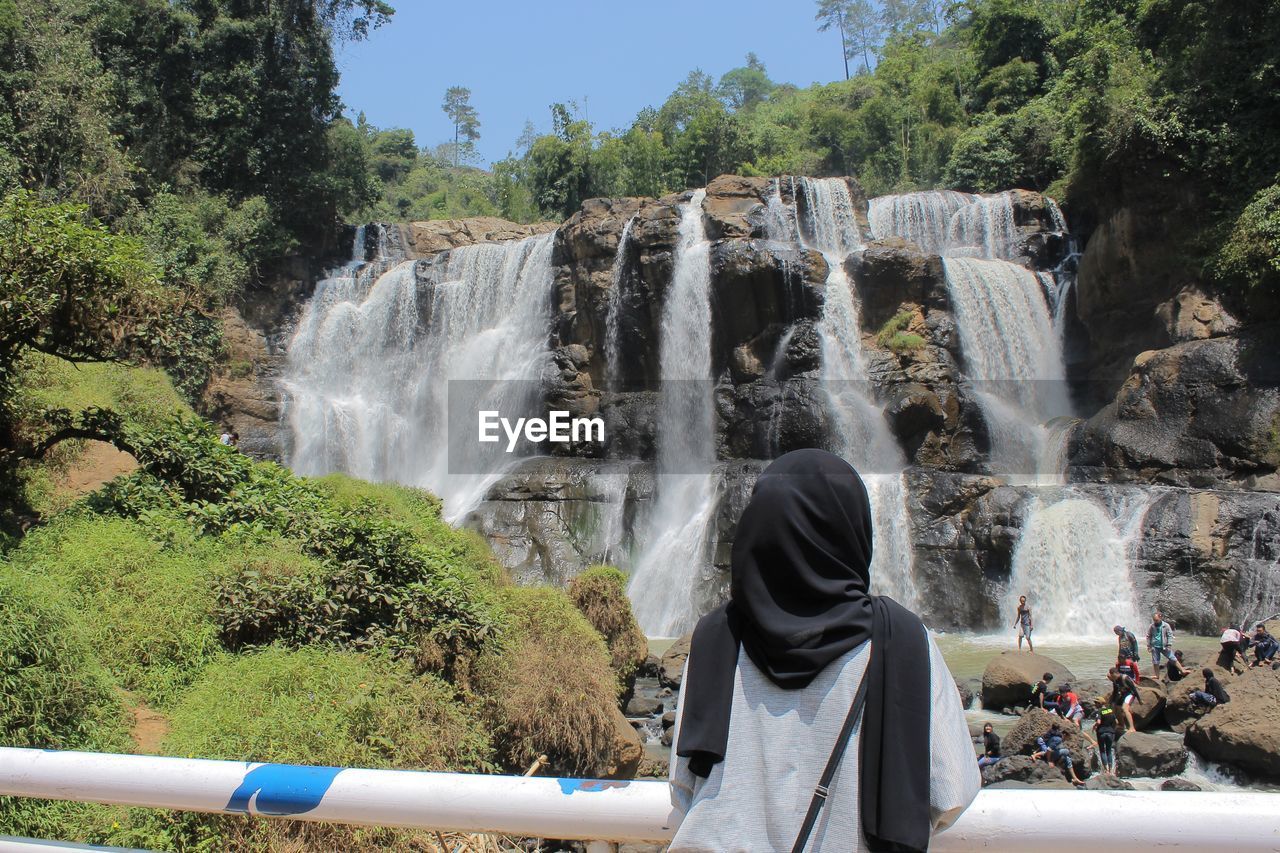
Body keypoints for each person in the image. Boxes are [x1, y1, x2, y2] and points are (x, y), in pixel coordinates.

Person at [668, 450, 979, 853]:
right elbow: (949, 790)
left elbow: (684, 784)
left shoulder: (716, 638)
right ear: (853, 532)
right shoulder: (902, 641)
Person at [1107, 666, 1141, 732]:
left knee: (1125, 709)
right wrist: (1113, 702)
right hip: (1123, 694)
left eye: (1111, 676)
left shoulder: (1125, 678)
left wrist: (1139, 699)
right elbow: (1115, 692)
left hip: (1130, 694)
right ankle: (1121, 725)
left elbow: (1134, 689)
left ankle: (1132, 727)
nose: (1111, 678)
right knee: (1116, 708)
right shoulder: (1115, 681)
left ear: (1115, 673)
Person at [1092, 705, 1119, 776]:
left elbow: (1098, 722)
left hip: (1101, 733)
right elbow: (1117, 721)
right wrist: (1112, 729)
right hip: (1110, 733)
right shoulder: (1110, 710)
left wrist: (1094, 726)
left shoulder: (1099, 711)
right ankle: (1110, 770)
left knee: (1102, 750)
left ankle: (1106, 770)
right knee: (1109, 751)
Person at [1146, 612, 1175, 677]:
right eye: (1154, 620)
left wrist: (1169, 644)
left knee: (1172, 658)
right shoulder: (1152, 626)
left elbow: (1170, 635)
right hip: (1154, 646)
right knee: (1155, 662)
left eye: (1156, 620)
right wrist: (1148, 645)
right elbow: (1148, 636)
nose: (1155, 621)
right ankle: (1157, 675)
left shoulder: (1166, 625)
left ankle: (1182, 670)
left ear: (1160, 618)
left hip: (1164, 646)